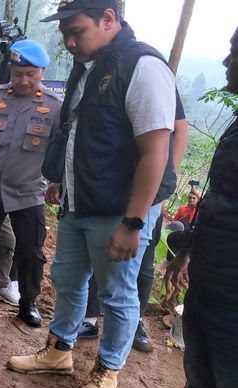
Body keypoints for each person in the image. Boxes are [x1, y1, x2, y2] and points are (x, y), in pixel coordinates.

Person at [7, 0, 177, 388]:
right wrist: (60, 182)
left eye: (76, 31)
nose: (68, 41)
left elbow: (156, 150)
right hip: (79, 201)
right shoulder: (90, 65)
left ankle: (108, 369)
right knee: (67, 278)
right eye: (65, 32)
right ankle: (59, 349)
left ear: (108, 18)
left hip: (118, 209)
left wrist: (134, 221)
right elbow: (80, 133)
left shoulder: (142, 66)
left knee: (116, 294)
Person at [139, 26, 238, 388]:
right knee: (201, 387)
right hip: (212, 285)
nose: (225, 63)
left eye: (234, 53)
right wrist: (189, 247)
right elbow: (225, 205)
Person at [78, 92, 188, 351]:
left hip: (148, 195)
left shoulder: (156, 78)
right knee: (98, 252)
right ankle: (90, 317)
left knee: (143, 264)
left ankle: (135, 322)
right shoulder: (105, 73)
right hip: (109, 190)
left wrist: (162, 187)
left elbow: (180, 130)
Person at [0, 39, 63, 328]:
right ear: (10, 70)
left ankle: (27, 303)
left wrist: (58, 181)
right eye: (18, 74)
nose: (23, 80)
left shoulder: (54, 107)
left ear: (42, 72)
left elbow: (61, 149)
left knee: (30, 251)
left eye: (31, 75)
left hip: (28, 193)